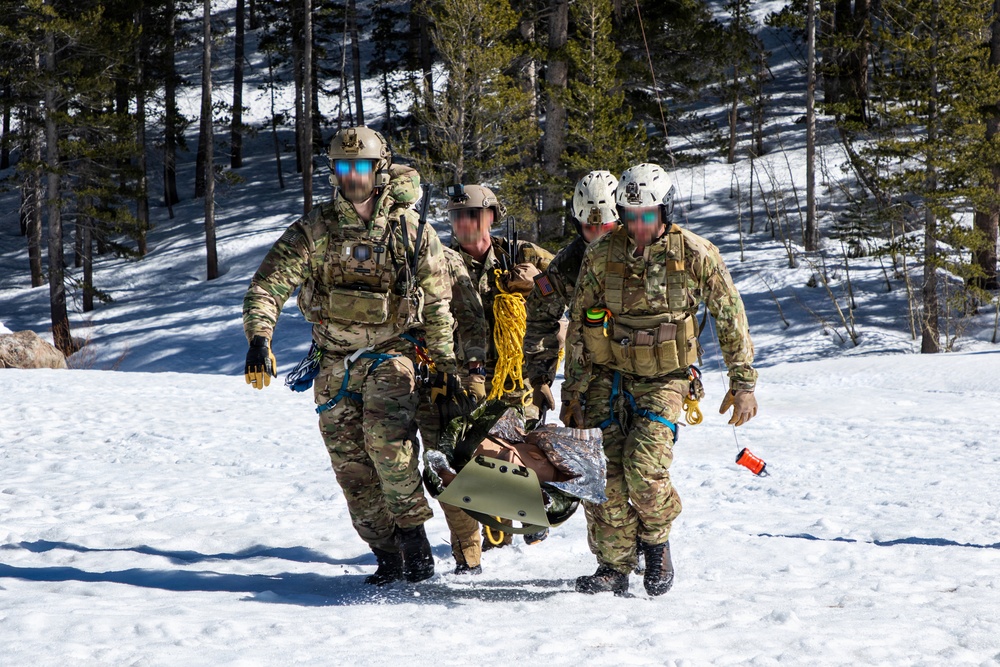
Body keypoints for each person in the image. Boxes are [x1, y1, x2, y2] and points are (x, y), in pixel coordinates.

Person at [242, 126, 468, 586]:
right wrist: (259, 337)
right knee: (351, 468)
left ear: (379, 169)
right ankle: (385, 554)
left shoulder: (411, 231)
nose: (353, 177)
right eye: (344, 168)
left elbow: (439, 302)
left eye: (361, 167)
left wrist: (447, 368)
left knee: (386, 444)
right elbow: (268, 285)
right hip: (334, 361)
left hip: (394, 352)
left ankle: (412, 537)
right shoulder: (316, 229)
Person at [560, 162, 758, 597]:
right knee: (603, 476)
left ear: (665, 211)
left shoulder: (695, 253)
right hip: (608, 376)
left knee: (644, 471)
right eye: (630, 217)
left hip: (666, 378)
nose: (638, 226)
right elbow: (578, 325)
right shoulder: (600, 254)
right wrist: (571, 390)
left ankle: (656, 544)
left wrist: (742, 383)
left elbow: (730, 315)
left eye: (647, 216)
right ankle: (613, 564)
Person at [446, 183, 554, 548]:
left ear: (491, 216)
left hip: (519, 372)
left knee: (518, 448)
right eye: (457, 217)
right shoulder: (443, 263)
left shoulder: (520, 253)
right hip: (471, 374)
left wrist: (536, 285)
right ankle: (495, 536)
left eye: (473, 215)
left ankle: (528, 514)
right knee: (476, 450)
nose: (465, 224)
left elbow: (571, 284)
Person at [409, 234, 491, 575]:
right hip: (386, 374)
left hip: (440, 379)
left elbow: (472, 319)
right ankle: (403, 548)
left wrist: (473, 371)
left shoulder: (445, 258)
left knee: (444, 465)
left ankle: (468, 550)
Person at [525, 170, 620, 419]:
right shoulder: (566, 265)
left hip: (642, 369)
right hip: (589, 376)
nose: (599, 235)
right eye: (591, 228)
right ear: (579, 225)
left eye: (607, 227)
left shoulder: (644, 253)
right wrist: (540, 377)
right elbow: (539, 320)